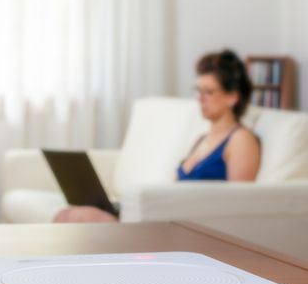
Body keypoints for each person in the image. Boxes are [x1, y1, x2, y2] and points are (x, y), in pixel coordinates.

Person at [54, 49, 261, 223]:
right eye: (198, 91)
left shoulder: (240, 140)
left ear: (232, 96)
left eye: (208, 92)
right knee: (67, 214)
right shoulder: (201, 140)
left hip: (190, 226)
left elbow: (238, 207)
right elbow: (173, 191)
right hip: (167, 218)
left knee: (77, 217)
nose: (200, 98)